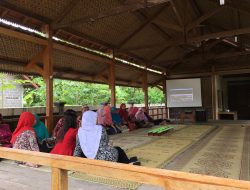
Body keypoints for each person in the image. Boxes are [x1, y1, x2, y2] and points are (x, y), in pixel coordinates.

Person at [74, 111, 140, 165]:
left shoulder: (80, 131)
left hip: (90, 160)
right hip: (106, 158)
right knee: (118, 149)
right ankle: (128, 163)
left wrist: (74, 161)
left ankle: (127, 162)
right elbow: (106, 142)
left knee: (115, 151)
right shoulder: (100, 129)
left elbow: (78, 148)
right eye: (96, 118)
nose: (97, 120)